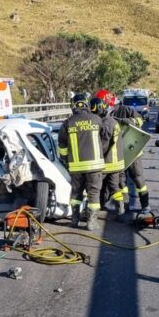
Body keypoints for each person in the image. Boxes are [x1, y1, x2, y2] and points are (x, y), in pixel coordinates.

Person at [58, 93, 110, 230]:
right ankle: (91, 222)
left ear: (73, 105)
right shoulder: (97, 119)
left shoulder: (67, 123)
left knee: (76, 193)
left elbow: (62, 148)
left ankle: (75, 220)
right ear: (86, 104)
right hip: (95, 165)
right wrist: (100, 153)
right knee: (93, 193)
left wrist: (66, 161)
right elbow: (105, 139)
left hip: (75, 167)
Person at [107, 92, 149, 215]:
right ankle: (124, 206)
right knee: (121, 181)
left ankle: (145, 205)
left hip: (132, 151)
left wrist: (131, 121)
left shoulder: (125, 110)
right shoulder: (104, 115)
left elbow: (140, 119)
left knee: (137, 178)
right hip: (117, 153)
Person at [90, 94, 125, 219]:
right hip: (116, 163)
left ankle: (91, 213)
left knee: (95, 186)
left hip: (108, 162)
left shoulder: (106, 123)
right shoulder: (111, 121)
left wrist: (96, 156)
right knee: (114, 187)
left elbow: (104, 144)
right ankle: (121, 210)